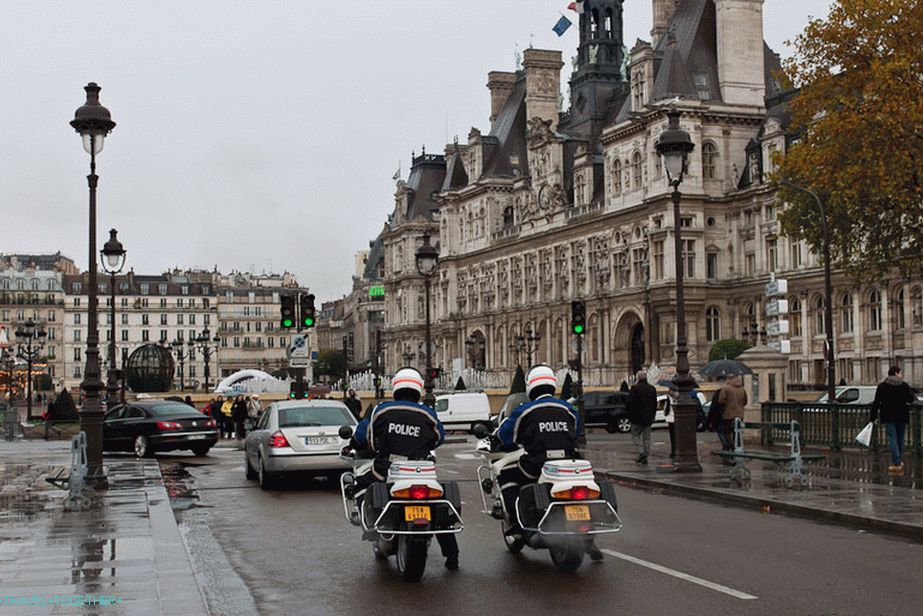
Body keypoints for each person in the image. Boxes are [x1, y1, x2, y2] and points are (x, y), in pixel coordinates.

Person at [349, 367, 459, 570]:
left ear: (396, 387)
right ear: (418, 389)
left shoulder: (381, 410)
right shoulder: (428, 413)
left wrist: (357, 444)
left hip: (387, 468)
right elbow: (439, 437)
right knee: (439, 506)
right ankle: (452, 554)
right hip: (422, 469)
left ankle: (371, 524)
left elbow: (366, 436)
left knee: (361, 485)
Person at [496, 364, 601, 561]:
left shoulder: (525, 410)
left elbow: (506, 435)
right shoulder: (567, 408)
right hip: (569, 464)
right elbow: (577, 431)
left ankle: (518, 524)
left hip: (537, 464)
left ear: (531, 387)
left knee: (506, 477)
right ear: (552, 385)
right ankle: (590, 536)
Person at [870, 366, 916, 475]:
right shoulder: (904, 385)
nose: (901, 375)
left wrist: (873, 417)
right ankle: (899, 461)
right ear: (896, 373)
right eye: (900, 373)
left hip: (888, 415)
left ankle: (897, 462)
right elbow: (911, 399)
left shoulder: (882, 386)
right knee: (900, 438)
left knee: (892, 438)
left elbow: (876, 402)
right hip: (902, 415)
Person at [627, 370, 657, 465]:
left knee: (635, 435)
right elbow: (655, 404)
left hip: (636, 417)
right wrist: (653, 415)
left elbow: (629, 403)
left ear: (638, 378)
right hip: (648, 417)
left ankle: (641, 452)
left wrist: (629, 414)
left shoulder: (635, 388)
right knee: (647, 437)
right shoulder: (652, 389)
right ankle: (646, 453)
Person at [717, 374, 748, 448]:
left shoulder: (726, 389)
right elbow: (745, 402)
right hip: (740, 415)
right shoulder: (742, 389)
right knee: (737, 432)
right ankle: (737, 446)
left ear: (728, 379)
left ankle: (732, 447)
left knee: (727, 432)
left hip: (728, 415)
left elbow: (721, 401)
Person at [707, 381, 731, 451]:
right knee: (728, 431)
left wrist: (710, 419)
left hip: (720, 416)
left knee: (721, 431)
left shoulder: (718, 393)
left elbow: (714, 406)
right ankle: (729, 445)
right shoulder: (733, 392)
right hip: (729, 415)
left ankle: (726, 445)